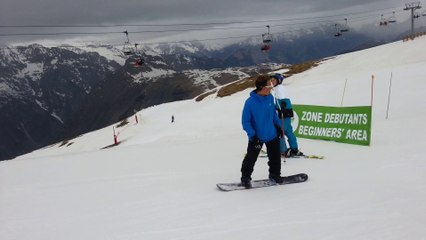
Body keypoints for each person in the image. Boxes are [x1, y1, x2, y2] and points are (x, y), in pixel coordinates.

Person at [240, 75, 285, 188]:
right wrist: (252, 135)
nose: (271, 87)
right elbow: (246, 122)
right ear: (261, 87)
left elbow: (273, 114)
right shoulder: (250, 102)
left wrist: (278, 127)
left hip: (272, 134)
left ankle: (274, 175)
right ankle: (245, 177)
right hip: (257, 137)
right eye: (268, 85)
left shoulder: (270, 98)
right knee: (251, 158)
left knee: (275, 157)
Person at [270, 73, 303, 157]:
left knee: (280, 133)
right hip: (286, 115)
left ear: (279, 81)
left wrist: (282, 108)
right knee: (289, 131)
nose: (272, 81)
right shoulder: (278, 88)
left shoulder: (278, 89)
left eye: (274, 80)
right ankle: (294, 149)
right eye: (272, 80)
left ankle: (283, 151)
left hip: (283, 115)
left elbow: (283, 100)